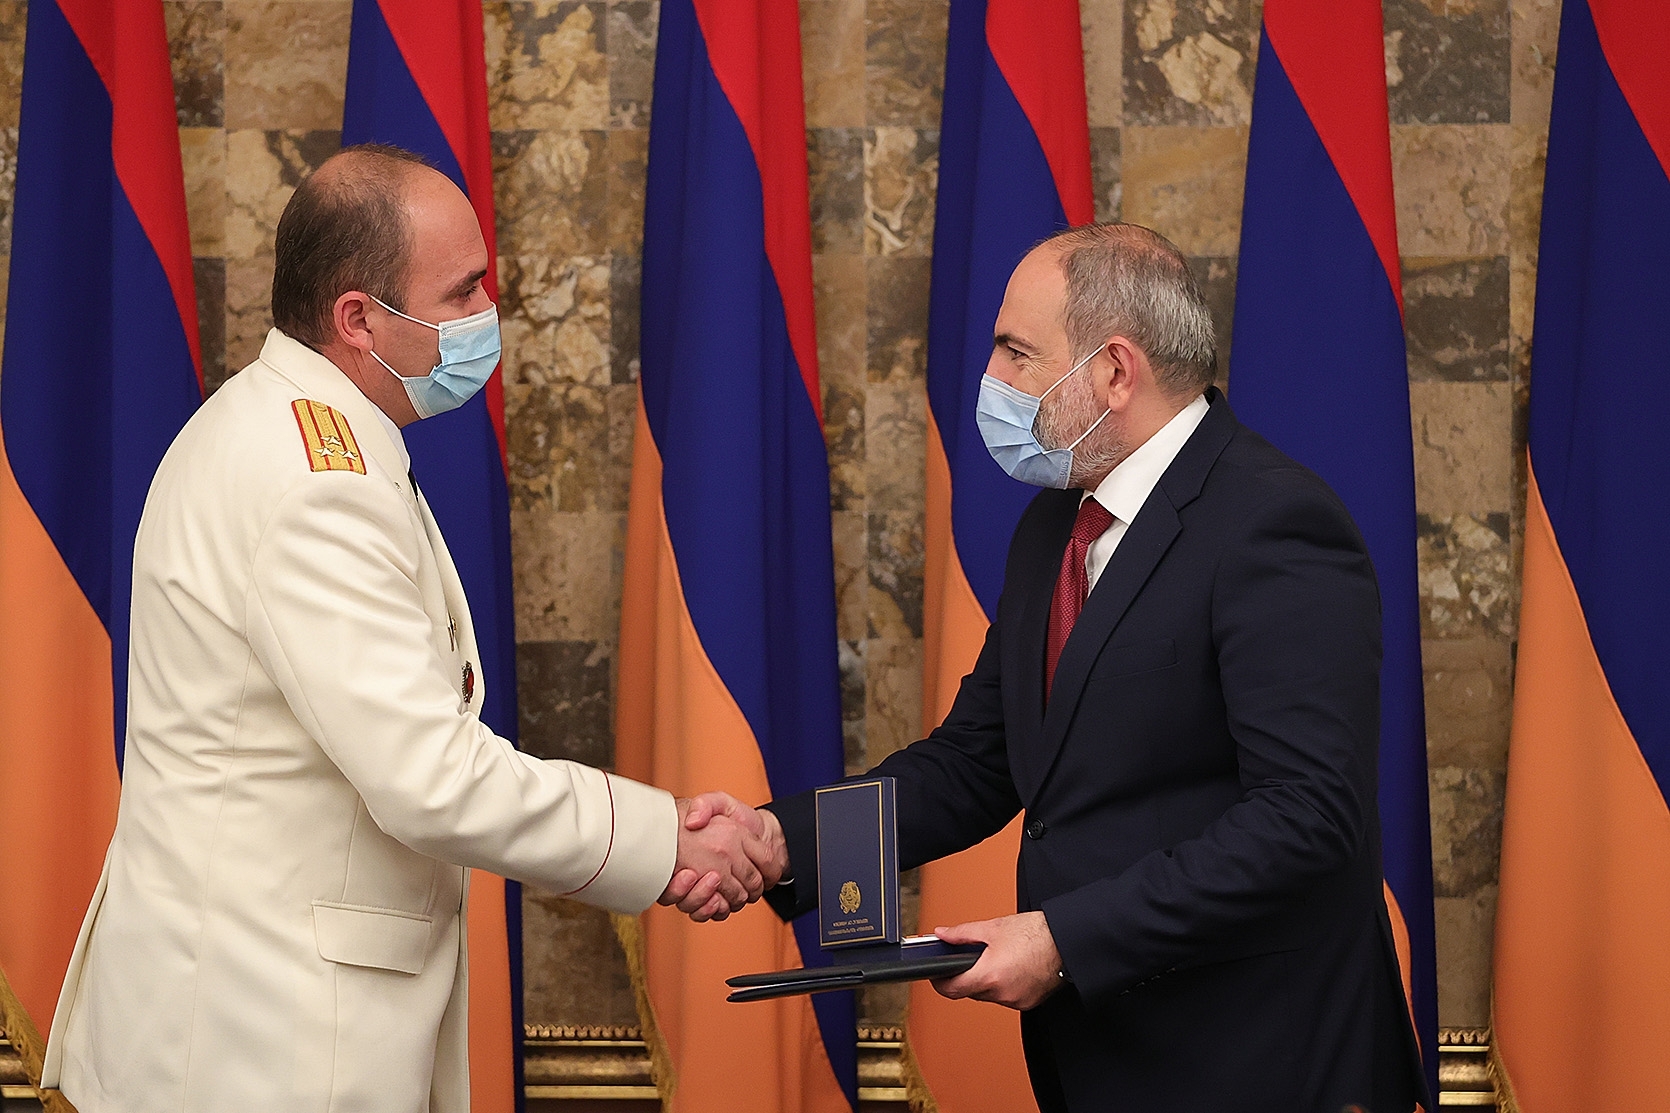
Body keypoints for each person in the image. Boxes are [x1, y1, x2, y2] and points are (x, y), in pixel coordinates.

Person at [40, 144, 772, 1113]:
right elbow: (430, 777)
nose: (487, 314)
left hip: (251, 1017)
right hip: (260, 1044)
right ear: (358, 319)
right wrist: (662, 840)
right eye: (462, 292)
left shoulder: (284, 426)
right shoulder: (316, 482)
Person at [681, 223, 1429, 1111]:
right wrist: (780, 841)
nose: (991, 379)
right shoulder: (1057, 523)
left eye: (1016, 352)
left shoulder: (1274, 522)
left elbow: (1307, 817)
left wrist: (1062, 939)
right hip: (1103, 1059)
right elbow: (977, 759)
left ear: (1114, 372)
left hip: (1259, 1059)